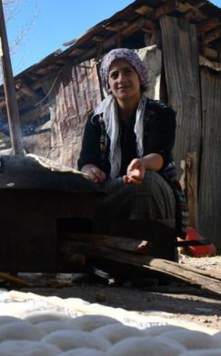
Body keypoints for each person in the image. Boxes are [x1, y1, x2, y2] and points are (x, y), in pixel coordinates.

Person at [77, 48, 187, 239]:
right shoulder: (96, 120)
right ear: (108, 84)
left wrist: (142, 164)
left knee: (145, 182)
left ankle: (151, 253)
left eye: (128, 71)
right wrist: (91, 171)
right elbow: (85, 161)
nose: (121, 79)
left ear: (140, 76)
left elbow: (160, 155)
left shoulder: (160, 112)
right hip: (112, 190)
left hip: (152, 188)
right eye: (114, 75)